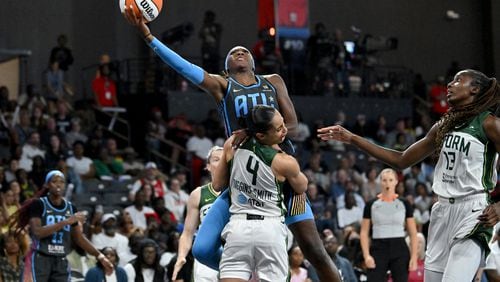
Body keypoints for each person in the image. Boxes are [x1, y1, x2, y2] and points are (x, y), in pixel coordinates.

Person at [122, 7, 341, 282]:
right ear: (226, 68)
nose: (240, 51)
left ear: (253, 62)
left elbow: (293, 126)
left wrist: (253, 132)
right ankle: (246, 272)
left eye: (244, 51)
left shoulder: (273, 82)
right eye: (234, 52)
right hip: (240, 182)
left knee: (314, 250)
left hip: (279, 177)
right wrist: (148, 37)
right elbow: (185, 68)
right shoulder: (222, 86)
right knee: (201, 249)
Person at [318, 69, 500, 282]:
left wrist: (498, 206)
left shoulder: (489, 124)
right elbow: (401, 159)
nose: (450, 85)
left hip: (473, 212)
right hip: (441, 211)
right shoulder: (444, 125)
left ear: (475, 89)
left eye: (458, 80)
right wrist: (353, 139)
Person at [212, 105, 308, 281]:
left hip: (238, 229)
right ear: (261, 135)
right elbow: (302, 187)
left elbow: (217, 184)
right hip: (270, 229)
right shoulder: (284, 161)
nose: (285, 130)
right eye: (279, 129)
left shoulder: (232, 145)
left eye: (283, 124)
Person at [12, 170, 113, 281]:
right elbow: (37, 232)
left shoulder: (70, 208)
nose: (58, 184)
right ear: (47, 185)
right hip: (40, 259)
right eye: (54, 181)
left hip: (61, 259)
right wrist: (65, 222)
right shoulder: (38, 204)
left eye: (62, 182)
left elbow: (79, 238)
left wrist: (101, 257)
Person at [172, 146, 223, 281]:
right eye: (216, 159)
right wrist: (181, 256)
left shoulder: (238, 191)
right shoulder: (198, 194)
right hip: (206, 255)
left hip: (232, 252)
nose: (221, 162)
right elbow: (188, 233)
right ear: (208, 166)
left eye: (224, 159)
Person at [358, 168, 418, 281]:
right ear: (380, 182)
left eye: (391, 180)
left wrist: (414, 256)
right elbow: (364, 232)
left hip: (399, 247)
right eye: (384, 180)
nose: (387, 183)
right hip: (378, 247)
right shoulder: (371, 204)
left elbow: (413, 233)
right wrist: (366, 256)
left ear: (396, 182)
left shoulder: (404, 203)